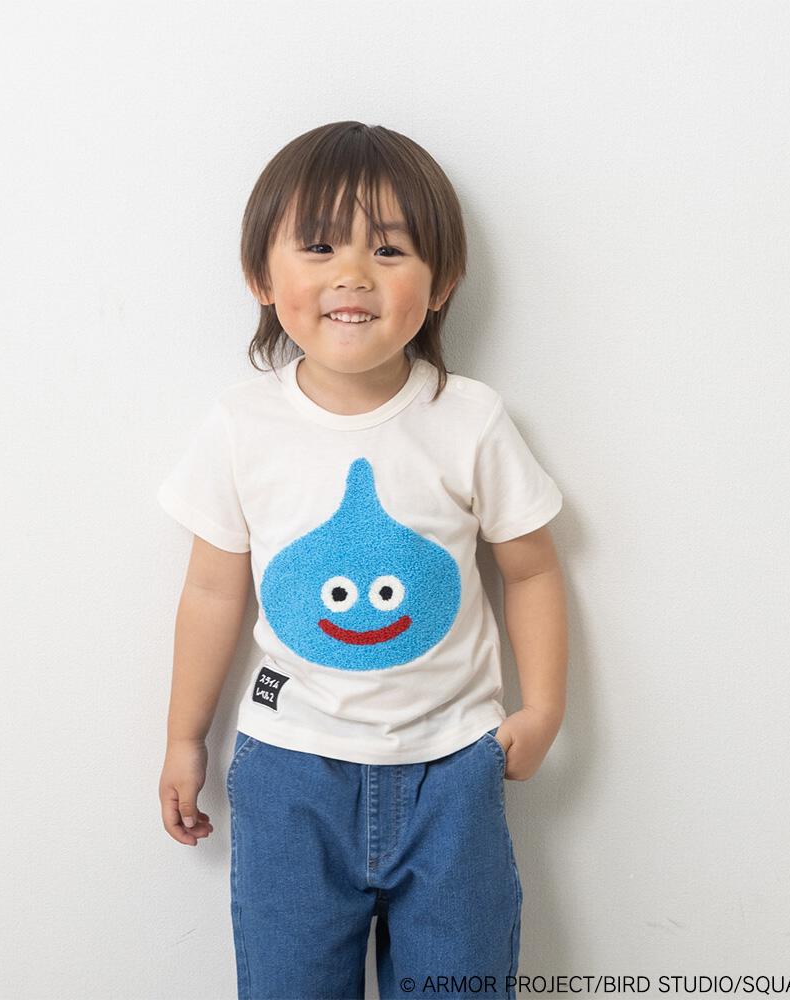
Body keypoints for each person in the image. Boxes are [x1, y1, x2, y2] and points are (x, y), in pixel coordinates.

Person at [156, 120, 569, 1000]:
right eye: (318, 247)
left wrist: (544, 710)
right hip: (289, 775)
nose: (352, 273)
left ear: (441, 282)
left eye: (388, 249)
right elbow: (212, 591)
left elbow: (531, 568)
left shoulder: (471, 421)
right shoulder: (242, 427)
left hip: (453, 772)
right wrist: (184, 738)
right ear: (262, 277)